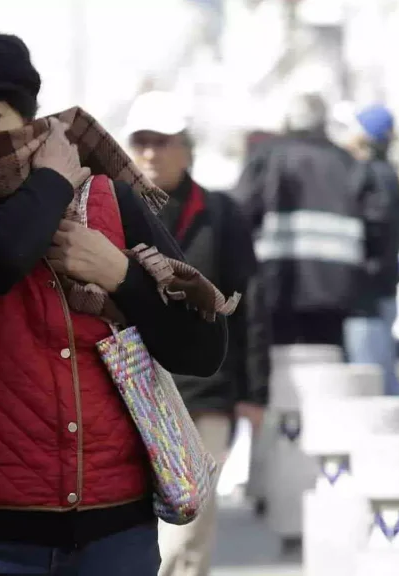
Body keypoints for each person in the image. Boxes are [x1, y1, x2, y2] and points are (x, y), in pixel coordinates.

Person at [0, 31, 232, 576]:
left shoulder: (112, 205)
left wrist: (118, 273)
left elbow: (202, 348)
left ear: (30, 120)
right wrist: (52, 180)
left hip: (114, 535)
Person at [122, 91, 267, 576]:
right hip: (133, 392)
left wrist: (253, 392)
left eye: (162, 142)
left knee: (189, 530)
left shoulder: (221, 214)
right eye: (141, 141)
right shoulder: (111, 213)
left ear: (186, 148)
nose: (150, 153)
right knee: (139, 529)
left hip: (206, 395)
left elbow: (249, 305)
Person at [233, 92, 386, 349]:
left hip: (278, 283)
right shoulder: (348, 162)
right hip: (336, 286)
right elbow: (377, 220)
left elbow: (240, 212)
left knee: (280, 364)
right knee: (328, 362)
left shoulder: (267, 156)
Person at [341, 104, 399, 395]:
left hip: (370, 292)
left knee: (372, 378)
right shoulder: (383, 173)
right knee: (381, 370)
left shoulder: (374, 175)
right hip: (379, 287)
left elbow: (375, 230)